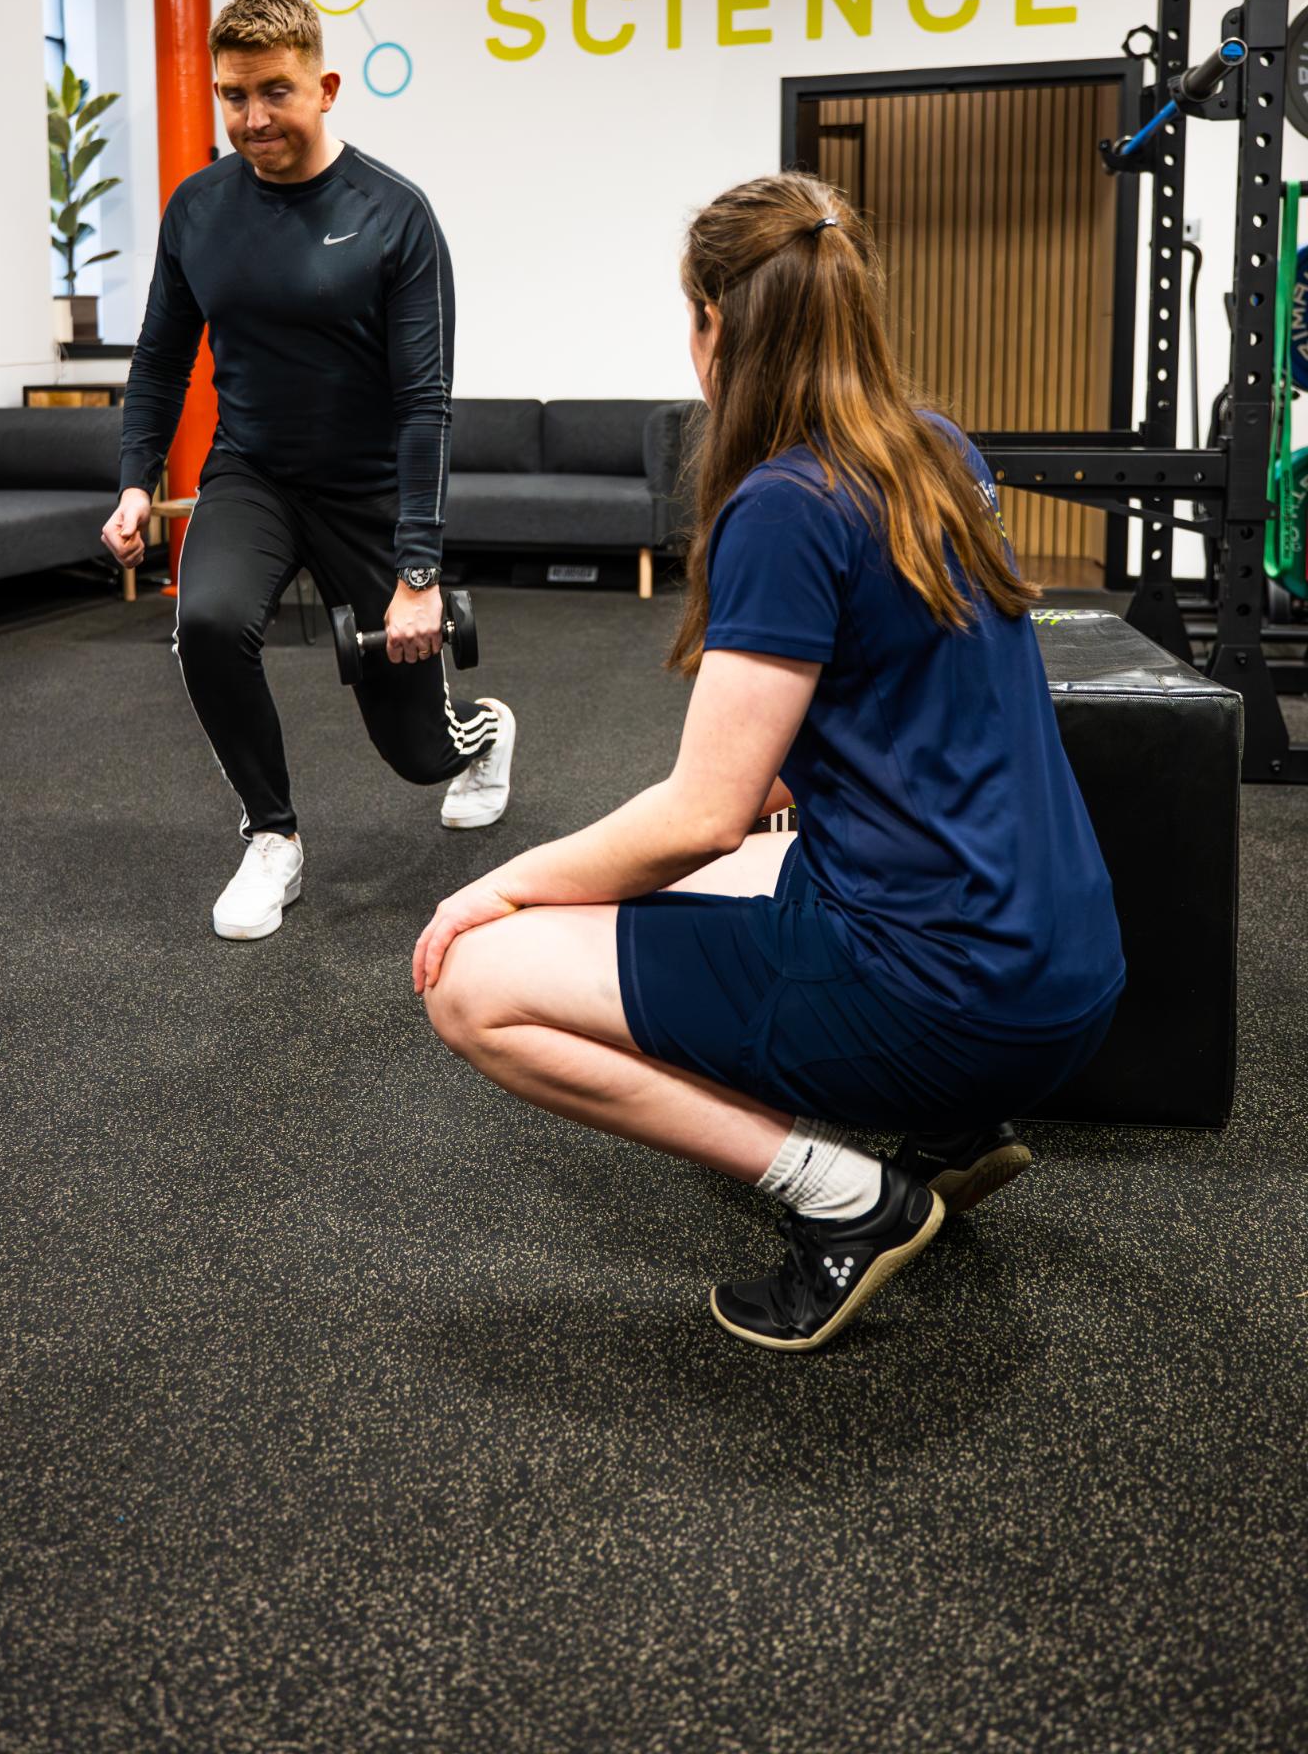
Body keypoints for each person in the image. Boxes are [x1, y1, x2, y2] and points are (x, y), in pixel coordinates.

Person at [413, 172, 1124, 1353]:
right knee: (685, 877)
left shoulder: (784, 504)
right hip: (1068, 968)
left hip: (952, 995)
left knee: (475, 980)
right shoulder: (940, 452)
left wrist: (507, 880)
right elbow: (850, 745)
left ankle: (849, 1200)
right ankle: (952, 1131)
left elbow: (702, 812)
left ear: (713, 328)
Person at [101, 0, 513, 941]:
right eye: (232, 96)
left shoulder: (394, 215)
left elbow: (424, 407)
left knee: (417, 750)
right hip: (253, 472)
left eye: (274, 92)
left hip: (369, 488)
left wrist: (419, 574)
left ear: (325, 87)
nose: (251, 120)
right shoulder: (199, 209)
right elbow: (162, 358)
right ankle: (273, 836)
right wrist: (136, 477)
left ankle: (484, 732)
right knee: (203, 620)